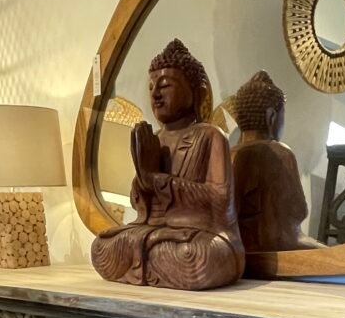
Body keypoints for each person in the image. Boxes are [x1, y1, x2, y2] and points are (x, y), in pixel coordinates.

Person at [91, 39, 245, 290]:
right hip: (155, 233)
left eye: (165, 85)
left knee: (195, 256)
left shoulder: (210, 136)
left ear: (197, 93)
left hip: (197, 234)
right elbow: (138, 204)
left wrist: (156, 179)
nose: (155, 94)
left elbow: (220, 201)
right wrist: (142, 180)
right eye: (151, 87)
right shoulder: (155, 139)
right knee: (101, 247)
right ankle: (152, 264)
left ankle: (150, 265)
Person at [232, 70, 321, 252]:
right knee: (334, 256)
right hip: (277, 242)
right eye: (282, 115)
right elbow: (298, 210)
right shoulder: (280, 153)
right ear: (271, 117)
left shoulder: (229, 153)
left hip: (237, 244)